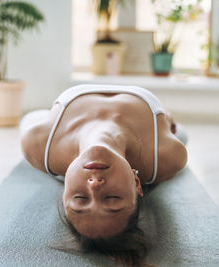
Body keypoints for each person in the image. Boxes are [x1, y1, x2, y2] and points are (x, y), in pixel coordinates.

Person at [20, 84, 187, 266]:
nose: (94, 185)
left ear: (65, 189)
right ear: (137, 183)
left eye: (80, 197)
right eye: (112, 198)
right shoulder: (165, 156)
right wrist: (165, 119)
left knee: (29, 121)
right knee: (182, 135)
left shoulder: (39, 145)